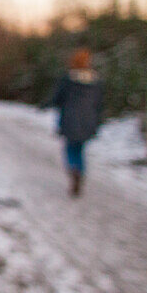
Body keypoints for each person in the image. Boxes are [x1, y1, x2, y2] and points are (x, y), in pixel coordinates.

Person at [45, 48, 104, 196]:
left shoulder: (68, 79)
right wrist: (98, 120)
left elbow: (58, 97)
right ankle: (80, 172)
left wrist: (44, 105)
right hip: (88, 120)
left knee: (70, 149)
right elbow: (99, 103)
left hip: (70, 119)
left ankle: (74, 171)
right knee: (81, 149)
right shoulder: (95, 80)